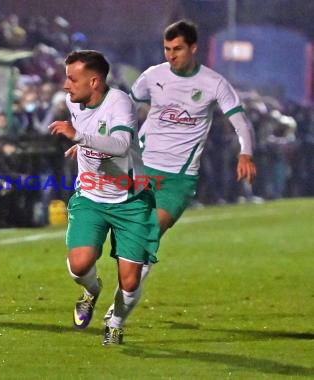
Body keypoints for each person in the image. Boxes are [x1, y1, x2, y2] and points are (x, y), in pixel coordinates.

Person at [100, 20, 257, 327]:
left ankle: (117, 316)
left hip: (178, 179)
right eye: (167, 49)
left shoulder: (214, 84)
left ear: (193, 48)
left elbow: (240, 121)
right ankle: (109, 295)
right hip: (141, 169)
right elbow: (125, 106)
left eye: (178, 49)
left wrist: (246, 151)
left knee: (145, 237)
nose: (171, 55)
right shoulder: (152, 76)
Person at [48, 50, 159, 345]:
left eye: (72, 79)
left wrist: (80, 138)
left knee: (131, 281)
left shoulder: (120, 103)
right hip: (91, 196)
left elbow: (121, 145)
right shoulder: (77, 103)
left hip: (130, 199)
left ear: (94, 81)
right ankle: (92, 291)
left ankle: (116, 321)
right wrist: (83, 146)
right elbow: (91, 134)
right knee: (79, 265)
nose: (66, 85)